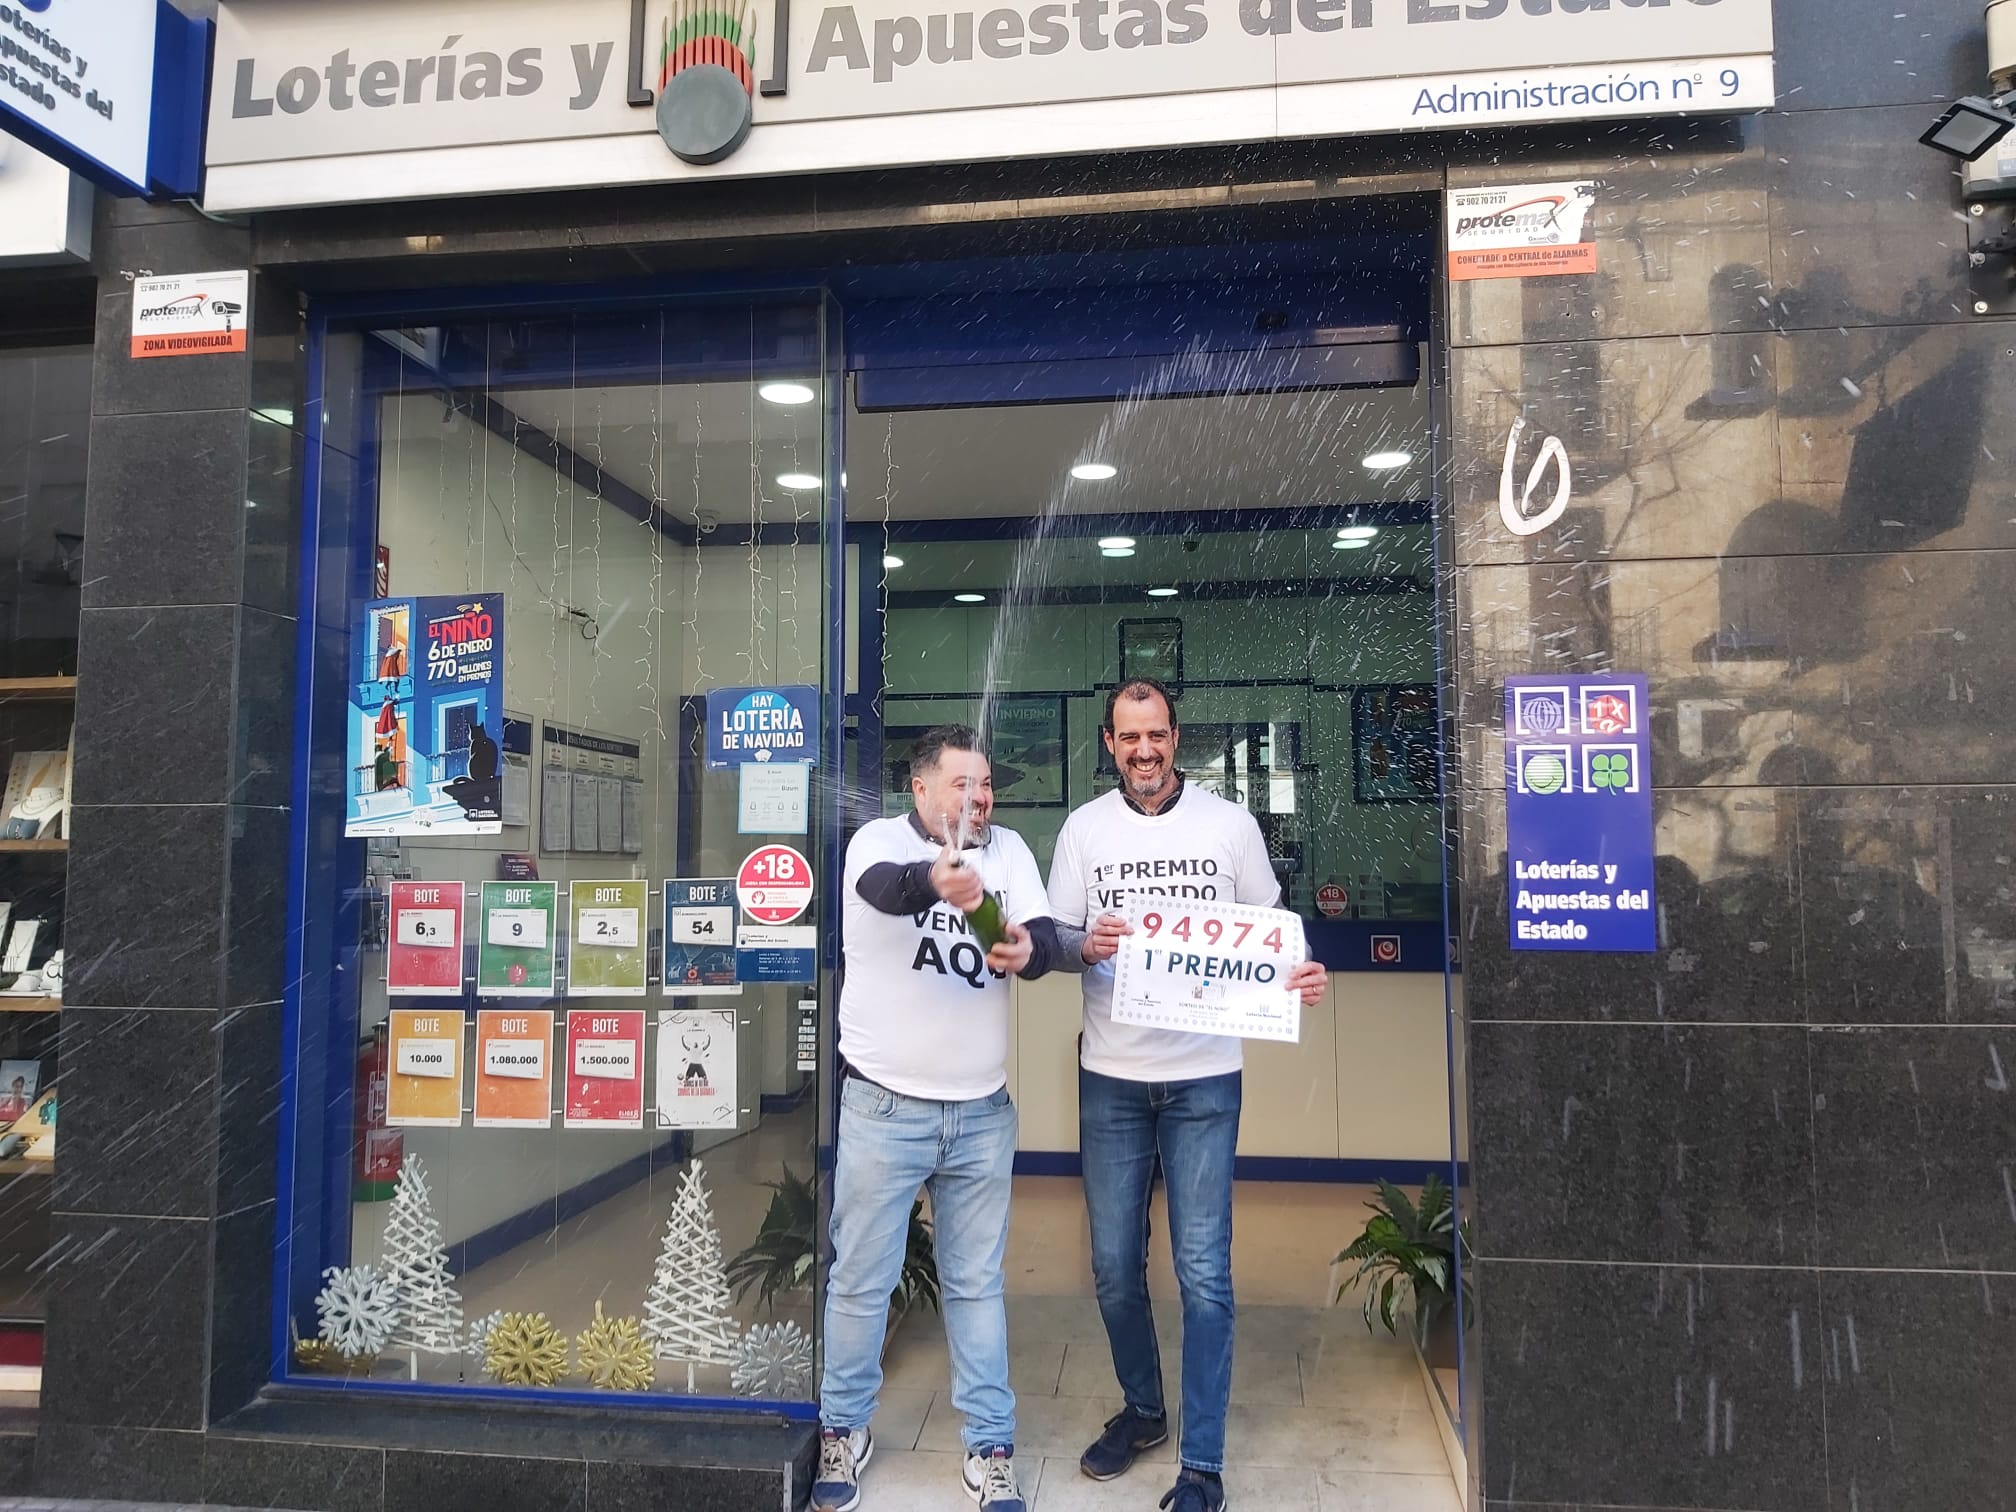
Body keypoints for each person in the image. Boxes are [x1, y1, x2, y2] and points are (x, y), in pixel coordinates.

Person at [1047, 678, 1328, 1512]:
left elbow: (1274, 933)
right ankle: (1143, 1411)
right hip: (1113, 1079)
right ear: (1110, 742)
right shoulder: (1083, 831)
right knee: (1112, 1270)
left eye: (1157, 735)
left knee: (1205, 1275)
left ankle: (1201, 1463)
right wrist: (1082, 943)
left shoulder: (1229, 826)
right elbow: (1055, 938)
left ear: (1176, 738)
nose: (1144, 751)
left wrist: (1299, 973)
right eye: (1129, 738)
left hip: (1207, 1077)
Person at [814, 724, 1062, 1512]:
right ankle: (842, 1431)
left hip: (983, 1113)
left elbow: (1047, 935)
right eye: (962, 785)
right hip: (886, 1108)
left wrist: (1031, 949)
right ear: (921, 790)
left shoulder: (1011, 851)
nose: (979, 798)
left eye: (984, 785)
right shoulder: (876, 842)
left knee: (976, 1287)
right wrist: (937, 880)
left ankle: (990, 1448)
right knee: (861, 1282)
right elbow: (887, 889)